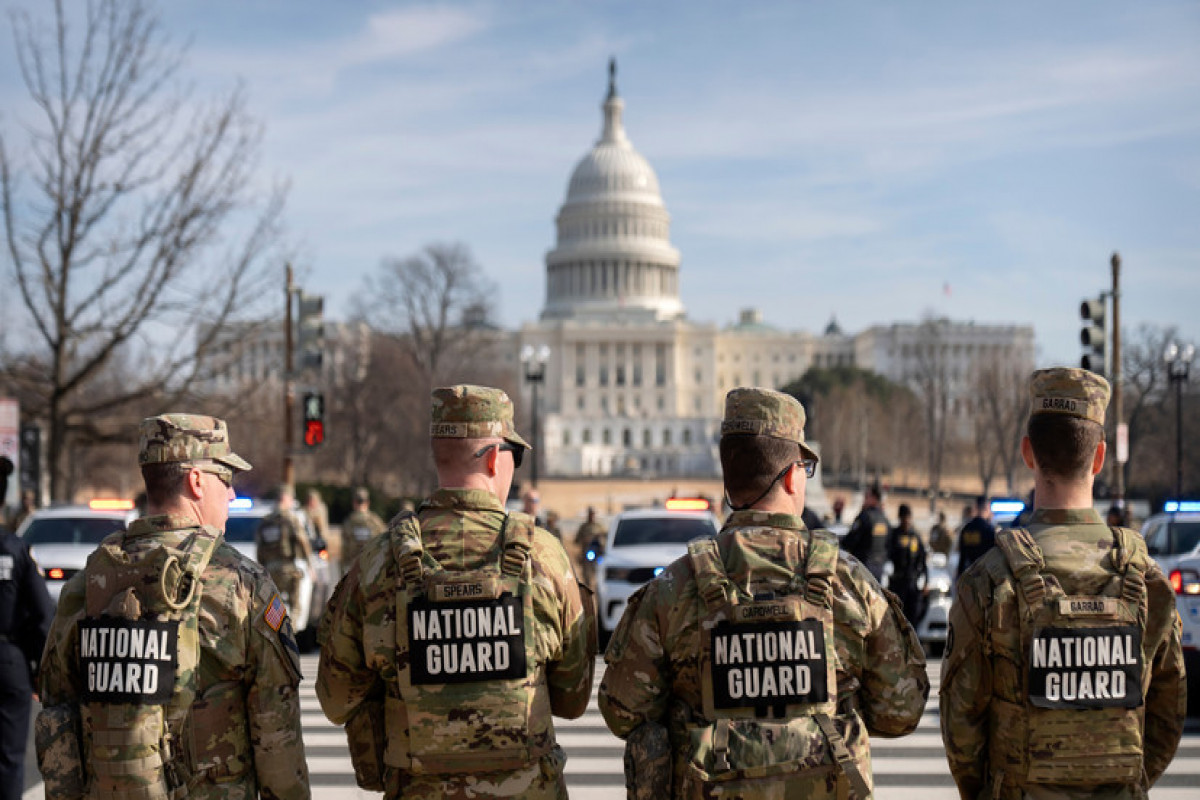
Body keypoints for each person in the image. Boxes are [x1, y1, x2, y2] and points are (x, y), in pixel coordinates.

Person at [599, 388, 928, 799]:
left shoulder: (674, 588)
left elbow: (622, 710)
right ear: (792, 475)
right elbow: (901, 712)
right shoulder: (850, 583)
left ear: (728, 478)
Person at [317, 385, 596, 799]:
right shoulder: (545, 555)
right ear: (491, 458)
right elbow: (572, 699)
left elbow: (335, 699)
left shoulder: (376, 563)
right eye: (513, 456)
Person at [940, 368, 1185, 799]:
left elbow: (961, 728)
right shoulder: (1146, 581)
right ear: (1099, 458)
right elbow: (1168, 716)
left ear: (1028, 453)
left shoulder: (988, 581)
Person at [37, 414, 310, 799]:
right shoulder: (241, 582)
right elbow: (276, 727)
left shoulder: (90, 581)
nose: (231, 494)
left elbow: (56, 705)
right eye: (225, 478)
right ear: (196, 481)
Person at [1, 492, 54, 798]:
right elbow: (41, 615)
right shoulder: (16, 550)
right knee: (9, 757)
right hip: (9, 662)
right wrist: (41, 669)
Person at [256, 484, 314, 619]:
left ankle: (274, 635)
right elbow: (302, 541)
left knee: (272, 606)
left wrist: (262, 567)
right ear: (286, 498)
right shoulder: (290, 519)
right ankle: (290, 635)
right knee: (295, 606)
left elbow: (260, 546)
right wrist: (310, 564)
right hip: (288, 568)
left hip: (270, 570)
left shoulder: (266, 521)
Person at [887, 503, 928, 626]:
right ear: (900, 518)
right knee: (897, 618)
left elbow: (923, 560)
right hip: (897, 583)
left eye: (909, 517)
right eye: (904, 517)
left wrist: (926, 582)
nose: (907, 520)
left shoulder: (915, 536)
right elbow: (888, 557)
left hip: (912, 584)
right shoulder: (894, 535)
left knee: (913, 619)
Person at [841, 482, 890, 581]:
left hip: (864, 566)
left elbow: (851, 540)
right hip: (879, 566)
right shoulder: (884, 519)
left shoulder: (865, 516)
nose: (864, 499)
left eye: (867, 496)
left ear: (873, 498)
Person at [340, 486, 386, 572]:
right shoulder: (376, 521)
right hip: (373, 567)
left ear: (354, 502)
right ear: (367, 502)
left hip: (354, 568)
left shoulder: (349, 522)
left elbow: (344, 549)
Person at [956, 495, 995, 582]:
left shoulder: (966, 529)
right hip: (984, 576)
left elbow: (962, 556)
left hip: (969, 575)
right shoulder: (989, 530)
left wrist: (959, 576)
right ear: (987, 508)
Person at [574, 506, 607, 589]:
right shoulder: (583, 527)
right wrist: (585, 540)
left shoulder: (599, 527)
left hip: (598, 554)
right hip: (587, 554)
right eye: (590, 514)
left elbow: (605, 537)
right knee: (587, 576)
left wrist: (599, 539)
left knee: (598, 573)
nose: (591, 516)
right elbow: (577, 540)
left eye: (593, 514)